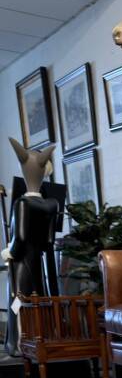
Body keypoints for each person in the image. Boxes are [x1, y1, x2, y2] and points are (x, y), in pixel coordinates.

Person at [2, 139, 59, 355]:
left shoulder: (22, 204)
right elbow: (49, 240)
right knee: (38, 298)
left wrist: (10, 252)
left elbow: (21, 238)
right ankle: (40, 339)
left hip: (21, 261)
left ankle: (19, 344)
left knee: (19, 299)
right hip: (38, 262)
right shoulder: (52, 204)